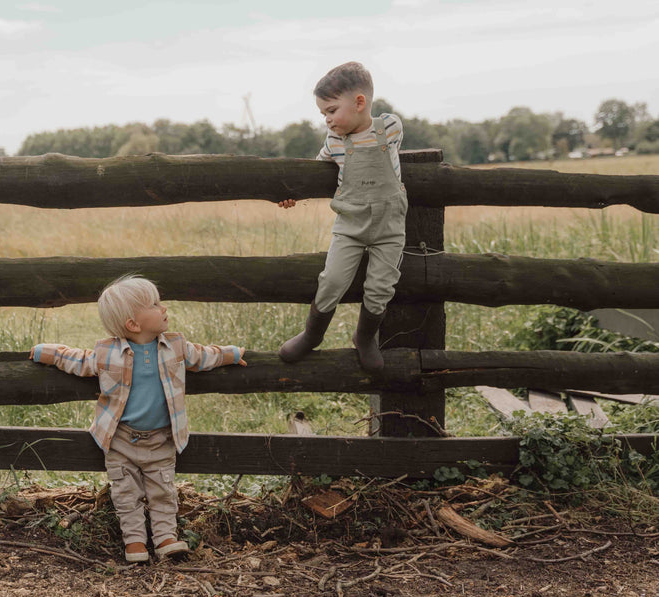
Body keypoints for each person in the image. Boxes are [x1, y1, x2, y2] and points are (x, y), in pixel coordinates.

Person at [29, 275, 247, 563]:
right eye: (155, 304)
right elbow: (79, 361)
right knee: (125, 494)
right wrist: (47, 352)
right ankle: (134, 543)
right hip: (120, 439)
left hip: (161, 439)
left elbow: (204, 356)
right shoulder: (108, 353)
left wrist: (232, 354)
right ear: (133, 324)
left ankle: (166, 538)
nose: (164, 307)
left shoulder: (176, 346)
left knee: (163, 491)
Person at [278, 61, 406, 373]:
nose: (327, 120)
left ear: (360, 102)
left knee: (381, 287)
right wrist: (294, 192)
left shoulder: (389, 128)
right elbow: (314, 171)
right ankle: (312, 334)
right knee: (332, 280)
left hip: (389, 227)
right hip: (349, 226)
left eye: (332, 110)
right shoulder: (334, 143)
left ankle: (364, 338)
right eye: (323, 113)